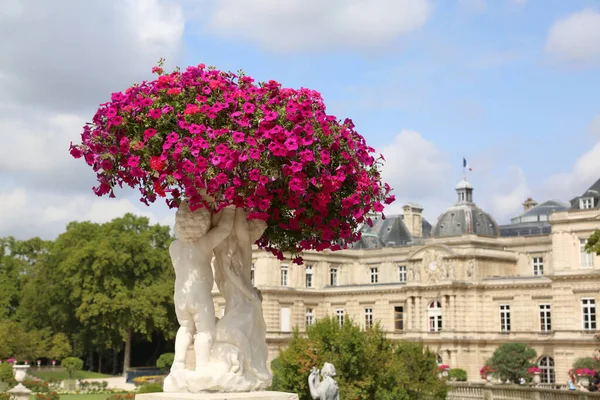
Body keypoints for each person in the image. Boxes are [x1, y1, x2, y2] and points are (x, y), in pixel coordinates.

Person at [164, 203, 235, 391]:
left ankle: (178, 363)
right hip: (199, 293)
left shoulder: (174, 247)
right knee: (205, 331)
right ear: (202, 222)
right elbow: (225, 229)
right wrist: (230, 207)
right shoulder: (203, 244)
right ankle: (202, 367)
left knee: (185, 328)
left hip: (180, 294)